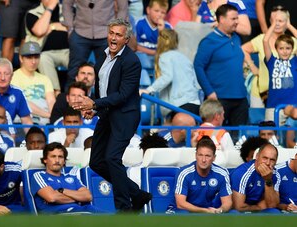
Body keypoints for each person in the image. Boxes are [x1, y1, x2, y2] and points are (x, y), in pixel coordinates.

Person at [73, 18, 152, 212]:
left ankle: (124, 208)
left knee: (112, 159)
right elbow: (103, 90)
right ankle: (138, 194)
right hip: (107, 114)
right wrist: (95, 108)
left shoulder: (132, 61)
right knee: (97, 162)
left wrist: (95, 103)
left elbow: (123, 95)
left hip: (125, 116)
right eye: (111, 33)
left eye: (118, 35)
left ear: (126, 39)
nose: (113, 38)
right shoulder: (103, 56)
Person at [194, 4, 248, 141]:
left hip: (240, 97)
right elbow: (198, 66)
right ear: (221, 19)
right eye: (233, 18)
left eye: (237, 18)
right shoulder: (209, 41)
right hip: (219, 98)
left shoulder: (236, 38)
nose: (237, 21)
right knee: (214, 140)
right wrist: (209, 91)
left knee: (239, 140)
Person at [62, 0, 128, 90]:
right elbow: (66, 4)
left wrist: (117, 30)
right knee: (74, 71)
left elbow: (123, 7)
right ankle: (69, 102)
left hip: (106, 33)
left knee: (109, 72)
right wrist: (70, 27)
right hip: (80, 31)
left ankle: (108, 102)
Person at [242, 7, 296, 108]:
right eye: (274, 20)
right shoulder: (262, 39)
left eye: (280, 21)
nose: (277, 24)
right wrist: (252, 66)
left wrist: (289, 25)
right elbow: (243, 49)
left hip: (286, 94)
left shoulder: (292, 41)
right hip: (261, 92)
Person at [140, 28, 200, 118]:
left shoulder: (164, 57)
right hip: (194, 103)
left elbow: (167, 77)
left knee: (174, 130)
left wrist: (149, 90)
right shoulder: (185, 58)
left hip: (180, 105)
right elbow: (195, 81)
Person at [30, 142, 99, 214]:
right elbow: (52, 198)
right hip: (59, 215)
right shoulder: (39, 176)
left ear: (64, 161)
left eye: (60, 157)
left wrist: (62, 191)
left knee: (109, 218)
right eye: (53, 156)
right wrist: (78, 198)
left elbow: (88, 196)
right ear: (45, 160)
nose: (57, 160)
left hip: (82, 210)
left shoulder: (71, 177)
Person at [172, 136, 232, 214]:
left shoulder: (222, 173)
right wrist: (205, 211)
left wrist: (220, 210)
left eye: (208, 156)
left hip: (208, 212)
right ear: (196, 155)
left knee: (233, 213)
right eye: (200, 155)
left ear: (214, 158)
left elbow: (227, 202)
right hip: (182, 211)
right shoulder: (184, 173)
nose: (203, 160)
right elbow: (180, 204)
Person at [25, 0, 69, 96]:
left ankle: (75, 93)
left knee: (77, 58)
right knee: (42, 59)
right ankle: (54, 94)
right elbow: (39, 31)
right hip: (46, 53)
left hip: (68, 51)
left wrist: (49, 27)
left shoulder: (67, 9)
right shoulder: (33, 13)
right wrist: (50, 9)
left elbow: (76, 29)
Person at [11, 41, 56, 125]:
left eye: (36, 57)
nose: (33, 61)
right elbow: (23, 103)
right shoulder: (13, 77)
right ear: (21, 58)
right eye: (29, 57)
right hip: (22, 120)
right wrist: (48, 115)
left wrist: (53, 117)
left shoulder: (45, 79)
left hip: (45, 121)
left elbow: (51, 101)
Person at [263, 17, 297, 123]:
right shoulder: (271, 61)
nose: (285, 51)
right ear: (276, 49)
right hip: (273, 106)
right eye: (281, 48)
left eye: (288, 48)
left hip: (292, 107)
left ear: (292, 49)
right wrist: (274, 24)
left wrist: (288, 25)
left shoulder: (294, 62)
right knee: (270, 137)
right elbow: (265, 40)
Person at [231, 143, 281, 213]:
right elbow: (238, 207)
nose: (268, 163)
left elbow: (272, 205)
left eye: (272, 160)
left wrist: (268, 179)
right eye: (265, 158)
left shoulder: (276, 174)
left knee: (274, 212)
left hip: (254, 209)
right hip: (241, 211)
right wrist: (259, 207)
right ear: (257, 156)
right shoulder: (242, 173)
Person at [0, 58, 33, 126]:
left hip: (8, 133)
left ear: (12, 76)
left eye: (6, 74)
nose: (2, 78)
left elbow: (27, 122)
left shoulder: (18, 93)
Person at [135, 0, 172, 70]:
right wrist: (154, 52)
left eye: (163, 12)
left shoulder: (168, 27)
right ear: (148, 10)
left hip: (160, 58)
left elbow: (168, 49)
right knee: (144, 62)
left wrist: (162, 32)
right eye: (156, 11)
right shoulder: (139, 23)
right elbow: (135, 46)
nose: (159, 15)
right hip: (142, 56)